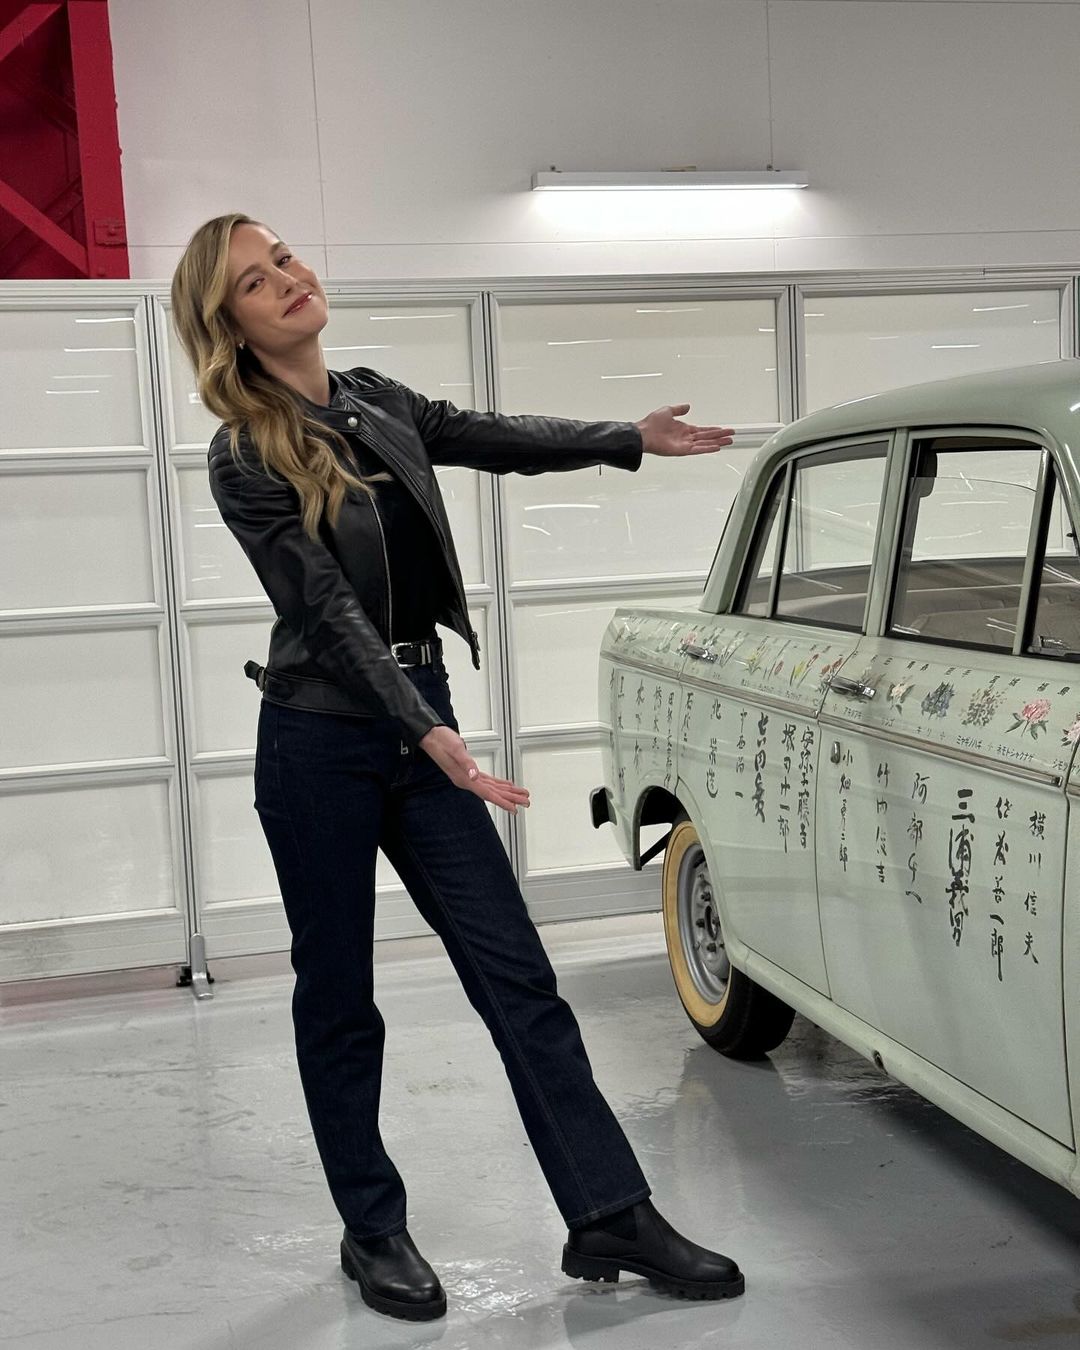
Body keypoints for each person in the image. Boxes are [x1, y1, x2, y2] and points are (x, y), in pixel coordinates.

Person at [170, 212, 745, 1323]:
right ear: (228, 324)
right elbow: (322, 606)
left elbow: (493, 433)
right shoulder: (244, 451)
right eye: (253, 280)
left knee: (516, 975)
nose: (285, 278)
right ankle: (371, 1227)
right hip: (321, 739)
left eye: (283, 257)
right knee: (341, 996)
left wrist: (623, 437)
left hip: (419, 719)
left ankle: (608, 1210)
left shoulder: (375, 398)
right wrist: (419, 726)